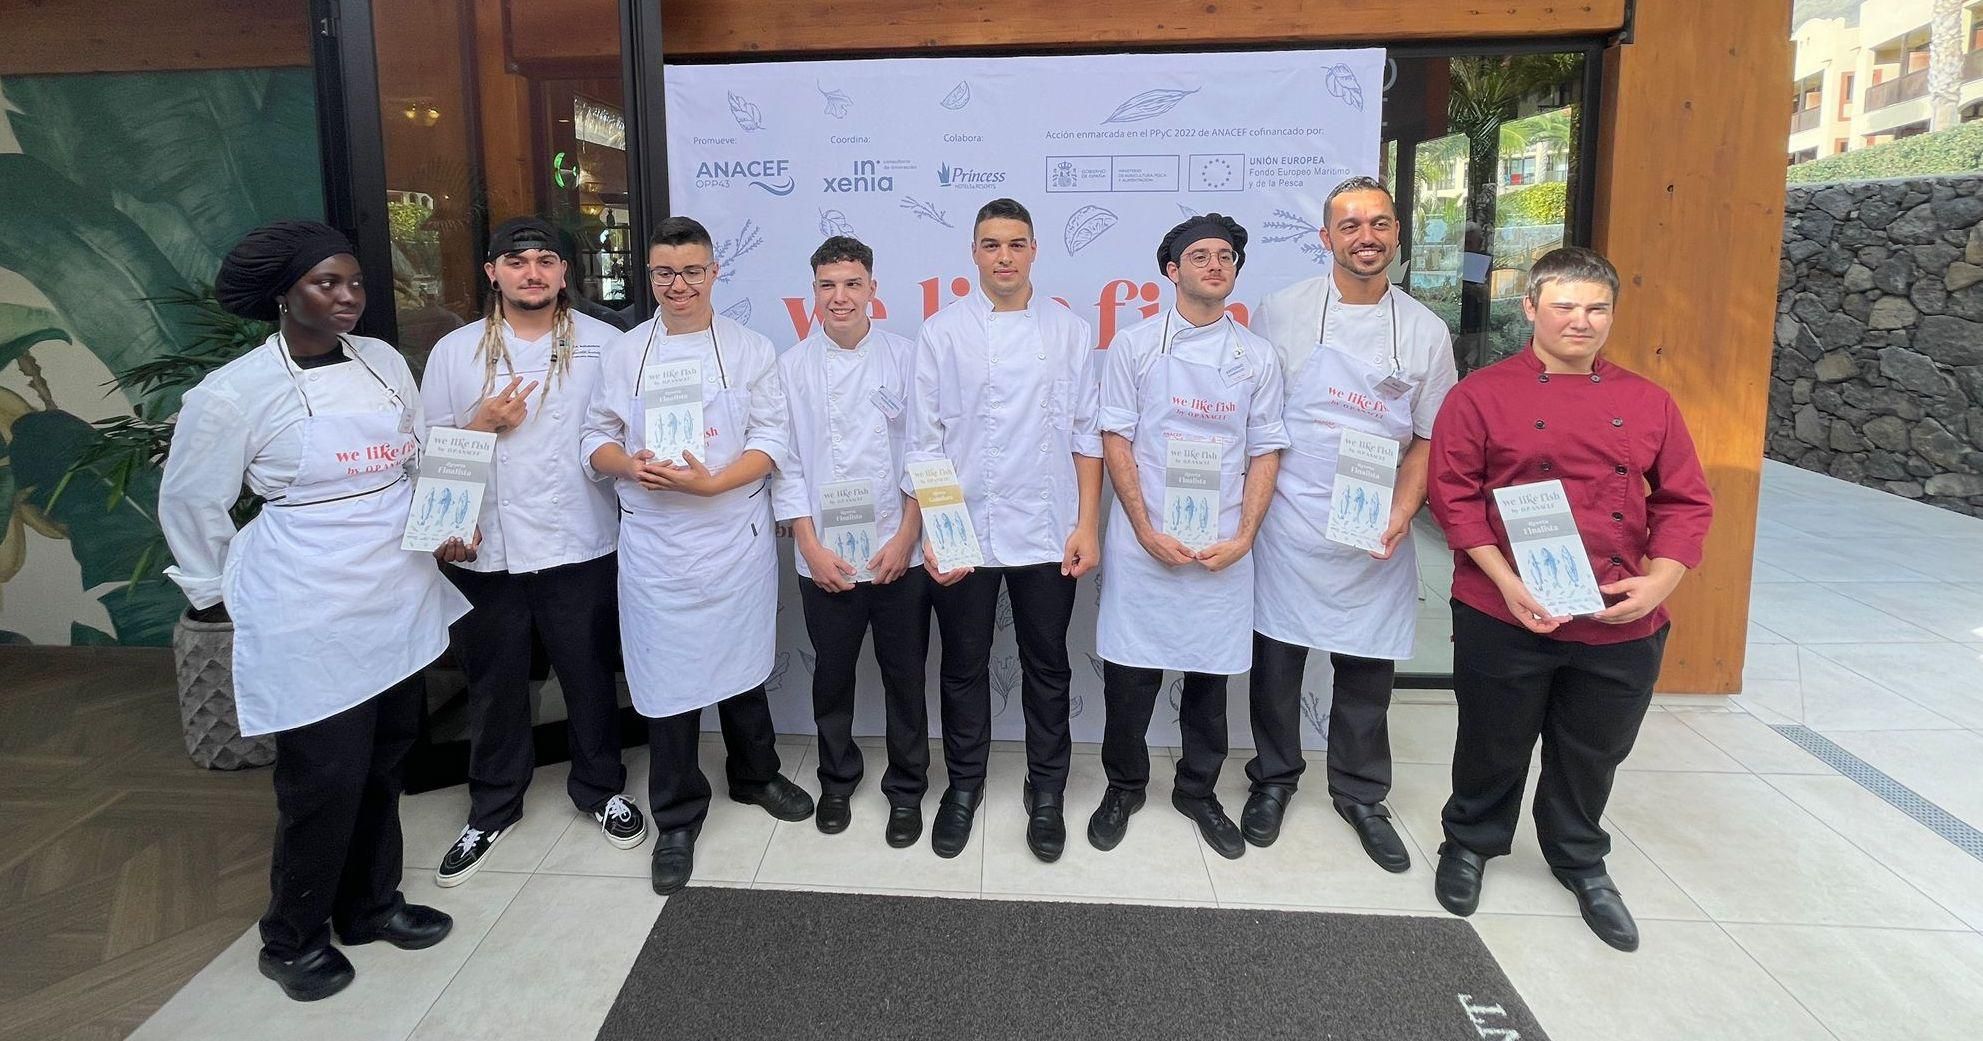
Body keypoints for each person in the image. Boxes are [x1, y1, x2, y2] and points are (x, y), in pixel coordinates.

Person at [160, 220, 468, 1001]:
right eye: (326, 283)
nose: (347, 298)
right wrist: (218, 592)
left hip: (394, 590)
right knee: (322, 777)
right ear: (283, 294)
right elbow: (192, 502)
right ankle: (291, 937)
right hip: (306, 600)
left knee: (387, 756)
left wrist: (444, 529)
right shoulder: (233, 393)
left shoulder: (386, 363)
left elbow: (424, 452)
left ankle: (371, 904)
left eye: (355, 283)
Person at [1427, 246, 1713, 952]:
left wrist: (1659, 579)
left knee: (1592, 750)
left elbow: (1685, 500)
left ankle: (1579, 858)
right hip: (1505, 607)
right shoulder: (1480, 394)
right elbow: (1453, 498)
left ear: (1611, 315)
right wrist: (1505, 581)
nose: (1579, 320)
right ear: (1529, 309)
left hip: (1619, 614)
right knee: (1492, 737)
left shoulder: (1648, 401)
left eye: (1595, 308)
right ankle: (1469, 842)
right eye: (1563, 305)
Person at [581, 216, 813, 896]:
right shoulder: (624, 354)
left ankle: (755, 773)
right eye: (663, 273)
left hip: (729, 535)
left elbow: (772, 438)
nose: (677, 285)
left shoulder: (749, 349)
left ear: (714, 274)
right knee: (667, 683)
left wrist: (713, 481)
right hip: (655, 543)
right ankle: (677, 814)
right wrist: (628, 464)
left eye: (690, 271)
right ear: (648, 277)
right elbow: (594, 439)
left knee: (740, 666)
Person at [1244, 176, 1460, 871]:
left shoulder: (1425, 331)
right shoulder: (1279, 311)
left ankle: (1361, 793)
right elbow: (1254, 414)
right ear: (1325, 238)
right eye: (1349, 226)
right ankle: (1273, 779)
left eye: (1379, 224)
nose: (1365, 237)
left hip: (1374, 525)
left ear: (1396, 233)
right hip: (1289, 516)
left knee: (1364, 670)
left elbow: (1430, 435)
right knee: (1276, 666)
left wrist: (1401, 511)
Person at [419, 216, 642, 887]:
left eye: (546, 260)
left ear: (565, 272)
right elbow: (431, 445)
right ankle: (492, 805)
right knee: (494, 684)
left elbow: (626, 430)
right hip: (486, 547)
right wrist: (453, 505)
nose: (532, 272)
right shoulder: (454, 353)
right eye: (516, 261)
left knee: (587, 674)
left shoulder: (607, 345)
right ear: (492, 272)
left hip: (579, 539)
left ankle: (601, 788)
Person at [906, 197, 1104, 862]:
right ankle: (963, 786)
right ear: (973, 253)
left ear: (1033, 250)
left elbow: (1085, 435)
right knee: (961, 668)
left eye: (1015, 244)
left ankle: (1045, 791)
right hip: (964, 528)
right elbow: (925, 440)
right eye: (991, 244)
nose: (1003, 256)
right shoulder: (941, 332)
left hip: (1048, 529)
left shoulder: (1069, 332)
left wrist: (1086, 523)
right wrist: (935, 530)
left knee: (1046, 667)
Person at [1088, 214, 1286, 859]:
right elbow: (1114, 436)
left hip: (1224, 540)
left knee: (1209, 677)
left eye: (1225, 255)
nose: (1214, 265)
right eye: (1198, 256)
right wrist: (1143, 527)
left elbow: (1264, 450)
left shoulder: (1256, 356)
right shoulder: (1135, 346)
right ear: (1171, 271)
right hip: (1146, 539)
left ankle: (1198, 790)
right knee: (1131, 674)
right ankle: (1124, 784)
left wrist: (1245, 536)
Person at [772, 236, 931, 846]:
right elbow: (784, 466)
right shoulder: (790, 368)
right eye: (827, 285)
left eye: (852, 284)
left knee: (904, 675)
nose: (840, 297)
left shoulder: (908, 359)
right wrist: (809, 549)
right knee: (831, 677)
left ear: (873, 289)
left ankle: (907, 788)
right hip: (825, 557)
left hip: (899, 552)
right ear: (813, 292)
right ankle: (837, 779)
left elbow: (926, 452)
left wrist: (907, 537)